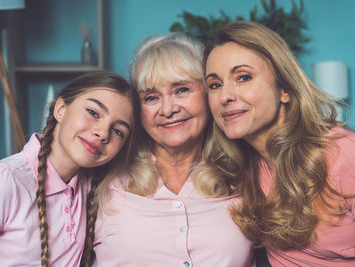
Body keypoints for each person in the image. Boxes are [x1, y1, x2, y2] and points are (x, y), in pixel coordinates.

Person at [85, 32, 254, 267]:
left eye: (181, 90)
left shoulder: (246, 177)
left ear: (209, 93)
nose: (167, 109)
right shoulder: (101, 181)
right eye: (151, 97)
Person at [204, 20, 355, 266]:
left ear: (284, 89)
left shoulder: (345, 153)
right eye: (215, 85)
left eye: (243, 77)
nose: (225, 96)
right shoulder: (241, 168)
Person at [0, 70, 139, 267]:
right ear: (61, 109)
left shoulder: (95, 187)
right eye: (93, 112)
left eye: (118, 131)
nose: (103, 133)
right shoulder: (3, 180)